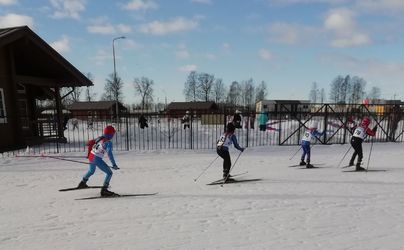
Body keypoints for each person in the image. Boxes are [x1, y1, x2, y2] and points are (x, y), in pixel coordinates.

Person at [78, 125, 120, 196]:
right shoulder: (108, 143)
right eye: (113, 134)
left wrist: (88, 155)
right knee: (109, 173)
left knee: (91, 171)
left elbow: (91, 143)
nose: (113, 135)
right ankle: (104, 190)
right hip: (96, 158)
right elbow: (109, 154)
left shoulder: (100, 138)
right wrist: (114, 164)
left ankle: (82, 183)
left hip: (91, 156)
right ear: (110, 134)